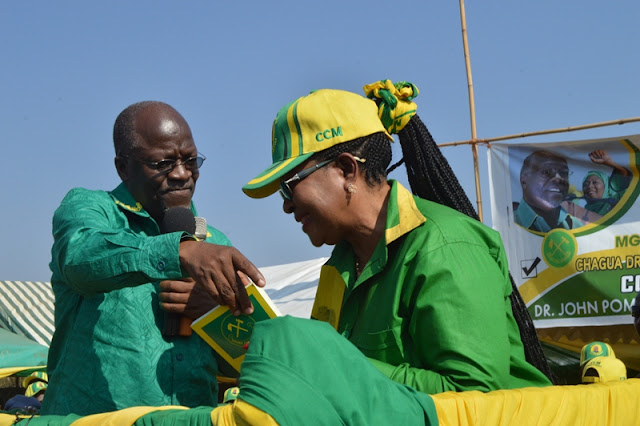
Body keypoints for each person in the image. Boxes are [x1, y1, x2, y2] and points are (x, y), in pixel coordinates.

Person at [243, 80, 552, 394]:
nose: (286, 205)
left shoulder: (445, 247)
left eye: (289, 186)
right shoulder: (338, 269)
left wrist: (332, 362)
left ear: (346, 169)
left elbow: (474, 393)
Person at [42, 101, 265, 416]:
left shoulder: (214, 244)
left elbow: (244, 361)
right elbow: (79, 259)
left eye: (191, 160)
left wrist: (214, 313)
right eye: (163, 163)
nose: (182, 174)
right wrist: (178, 251)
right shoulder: (90, 209)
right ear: (123, 168)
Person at [514, 150, 584, 232]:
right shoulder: (506, 225)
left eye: (564, 173)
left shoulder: (578, 227)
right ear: (524, 181)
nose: (558, 178)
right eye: (546, 172)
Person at [580, 149, 631, 216]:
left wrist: (610, 162)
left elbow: (627, 177)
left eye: (595, 182)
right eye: (585, 184)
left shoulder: (620, 199)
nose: (589, 186)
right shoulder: (582, 215)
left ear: (606, 186)